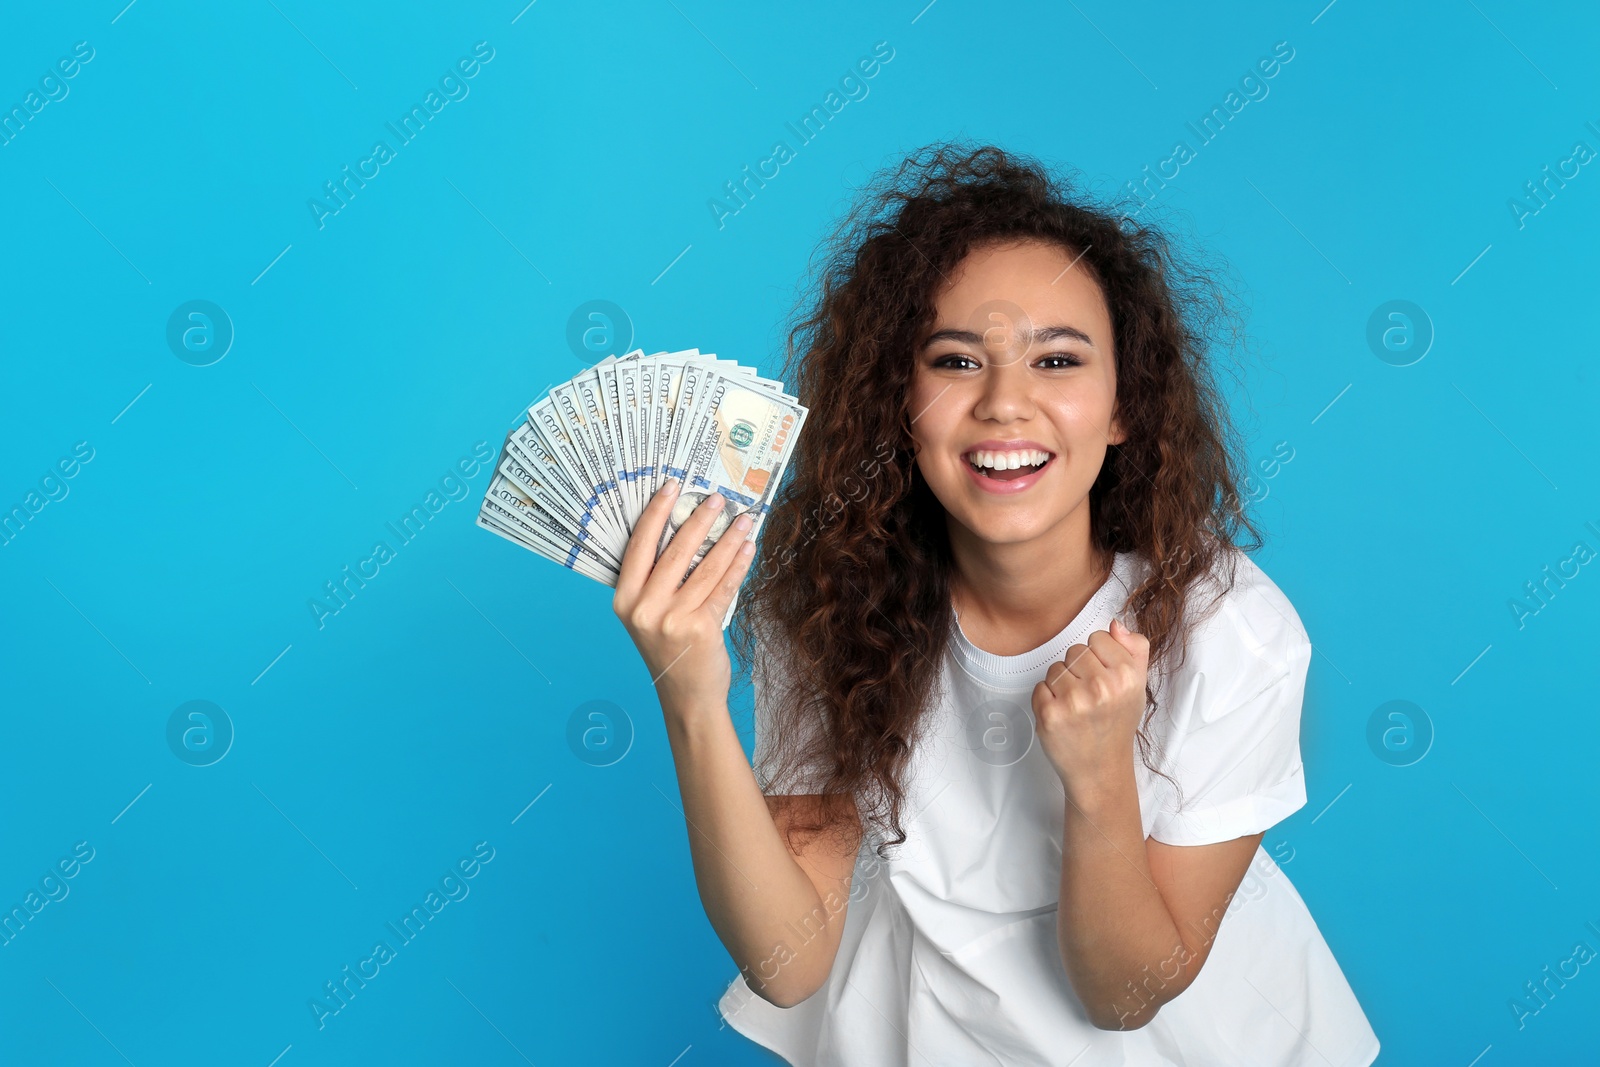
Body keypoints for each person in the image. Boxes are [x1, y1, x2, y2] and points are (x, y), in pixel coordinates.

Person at [611, 142, 1380, 1066]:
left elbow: (1125, 997)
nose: (1007, 404)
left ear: (1124, 404)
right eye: (956, 360)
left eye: (1057, 360)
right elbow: (790, 962)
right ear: (899, 403)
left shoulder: (1232, 631)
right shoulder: (830, 604)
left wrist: (1099, 775)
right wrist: (690, 697)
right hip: (931, 1025)